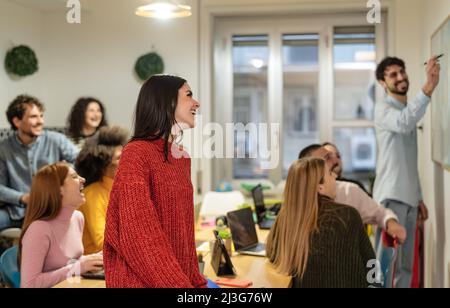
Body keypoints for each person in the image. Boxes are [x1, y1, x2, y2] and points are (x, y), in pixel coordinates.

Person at [104, 75, 207, 288]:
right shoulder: (136, 153)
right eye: (189, 95)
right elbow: (139, 236)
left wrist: (195, 281)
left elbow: (183, 234)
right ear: (167, 103)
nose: (196, 103)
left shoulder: (181, 156)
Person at [373, 56, 440, 288]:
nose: (401, 77)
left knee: (405, 268)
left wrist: (419, 197)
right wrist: (428, 88)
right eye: (393, 74)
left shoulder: (407, 109)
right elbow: (403, 122)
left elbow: (409, 162)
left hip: (409, 200)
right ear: (383, 83)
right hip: (391, 200)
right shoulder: (383, 109)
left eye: (402, 71)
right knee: (385, 266)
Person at [266, 158, 376, 288]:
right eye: (330, 173)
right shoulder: (348, 215)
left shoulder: (285, 219)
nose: (335, 175)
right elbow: (371, 263)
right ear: (320, 187)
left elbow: (272, 255)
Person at [0, 95, 79, 231]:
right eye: (34, 117)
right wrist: (22, 198)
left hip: (52, 209)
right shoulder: (3, 149)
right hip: (17, 211)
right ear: (17, 121)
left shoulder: (57, 140)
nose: (40, 121)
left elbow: (82, 162)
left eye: (41, 116)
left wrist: (67, 171)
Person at [299, 144, 406, 243]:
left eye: (337, 156)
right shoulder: (296, 209)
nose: (336, 161)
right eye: (327, 158)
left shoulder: (349, 191)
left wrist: (391, 224)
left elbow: (380, 213)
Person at [19, 163, 103, 288]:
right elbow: (29, 284)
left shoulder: (77, 217)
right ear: (58, 188)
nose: (83, 179)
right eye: (74, 176)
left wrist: (92, 260)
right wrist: (79, 267)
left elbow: (68, 263)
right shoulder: (38, 230)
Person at [76, 126, 128, 255]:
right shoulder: (92, 195)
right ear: (102, 165)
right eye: (119, 158)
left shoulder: (124, 191)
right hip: (95, 268)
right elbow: (102, 242)